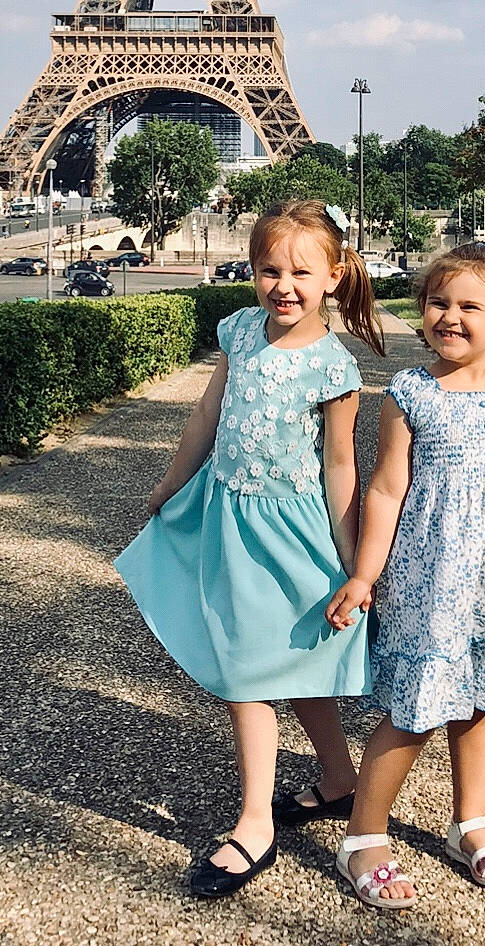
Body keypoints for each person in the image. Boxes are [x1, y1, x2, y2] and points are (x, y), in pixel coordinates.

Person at [114, 200, 386, 899]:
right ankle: (335, 781)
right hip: (231, 521)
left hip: (294, 536)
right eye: (269, 269)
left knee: (272, 669)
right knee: (257, 668)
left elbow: (340, 468)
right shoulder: (239, 333)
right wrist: (171, 484)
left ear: (335, 275)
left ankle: (255, 825)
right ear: (251, 272)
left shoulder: (334, 367)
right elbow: (207, 414)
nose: (283, 285)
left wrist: (354, 564)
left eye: (301, 271)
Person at [326, 242, 485, 910]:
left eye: (471, 305)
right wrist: (364, 575)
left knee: (483, 700)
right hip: (429, 581)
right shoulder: (411, 394)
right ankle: (364, 836)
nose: (451, 316)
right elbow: (385, 490)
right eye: (439, 302)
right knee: (414, 710)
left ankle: (471, 821)